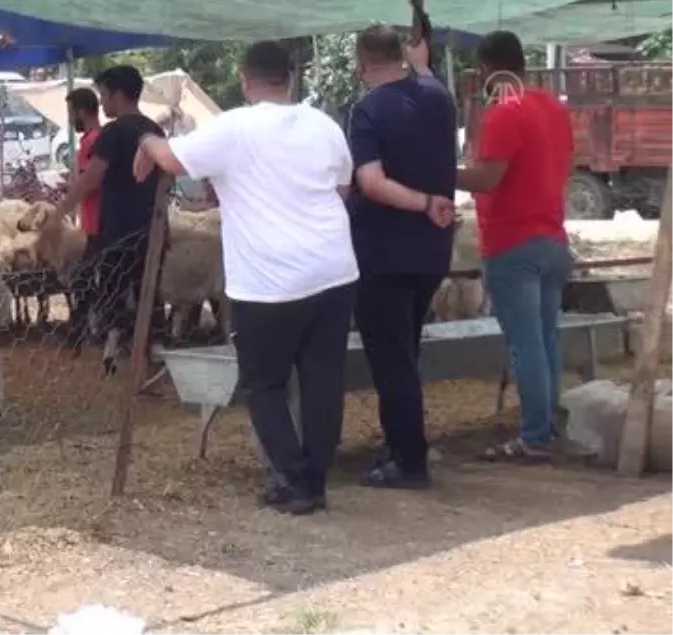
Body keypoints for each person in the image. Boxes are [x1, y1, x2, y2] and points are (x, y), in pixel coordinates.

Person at [133, 41, 358, 515]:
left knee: (264, 384)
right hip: (334, 269)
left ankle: (296, 481)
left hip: (269, 280)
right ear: (291, 78)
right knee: (322, 380)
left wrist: (146, 142)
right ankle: (313, 476)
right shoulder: (324, 126)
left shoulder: (235, 127)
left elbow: (172, 160)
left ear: (244, 79)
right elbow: (342, 187)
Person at [346, 25, 458, 490]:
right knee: (406, 351)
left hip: (383, 249)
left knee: (392, 359)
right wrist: (422, 62)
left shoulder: (368, 110)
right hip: (432, 250)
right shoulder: (440, 98)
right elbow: (427, 75)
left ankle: (409, 462)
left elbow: (371, 183)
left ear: (361, 65)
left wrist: (422, 202)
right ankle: (401, 444)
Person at [458, 30, 574, 462]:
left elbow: (488, 179)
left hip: (512, 241)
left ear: (488, 68)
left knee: (524, 342)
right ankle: (546, 427)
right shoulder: (552, 108)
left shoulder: (505, 113)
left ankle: (534, 436)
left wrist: (440, 174)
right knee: (546, 338)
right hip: (552, 238)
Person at [43, 66, 164, 365]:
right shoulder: (154, 130)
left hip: (119, 231)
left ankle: (113, 351)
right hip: (152, 229)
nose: (103, 103)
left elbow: (92, 178)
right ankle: (151, 352)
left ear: (119, 94)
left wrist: (58, 213)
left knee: (112, 290)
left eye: (104, 95)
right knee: (148, 292)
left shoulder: (113, 132)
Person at [64, 87, 104, 344]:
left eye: (70, 112)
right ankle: (82, 332)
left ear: (80, 111)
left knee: (87, 280)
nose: (69, 119)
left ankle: (80, 333)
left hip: (101, 223)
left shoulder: (95, 141)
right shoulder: (89, 140)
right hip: (91, 223)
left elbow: (91, 181)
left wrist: (63, 207)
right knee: (87, 280)